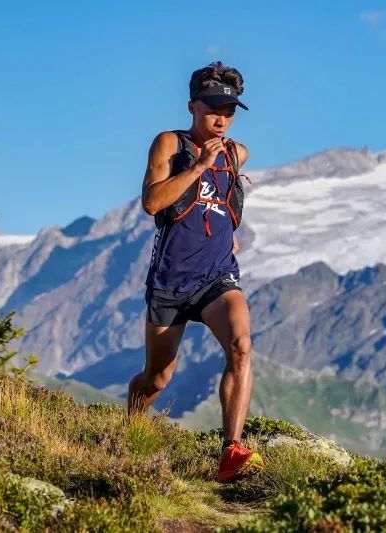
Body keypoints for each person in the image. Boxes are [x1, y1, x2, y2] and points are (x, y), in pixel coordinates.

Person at [129, 61, 261, 483]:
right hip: (170, 280)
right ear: (192, 106)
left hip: (217, 276)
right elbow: (152, 203)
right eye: (212, 108)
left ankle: (230, 453)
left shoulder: (237, 154)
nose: (221, 118)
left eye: (229, 110)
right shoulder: (170, 143)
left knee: (241, 346)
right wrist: (199, 167)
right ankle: (129, 433)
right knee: (156, 379)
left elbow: (223, 202)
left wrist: (228, 227)